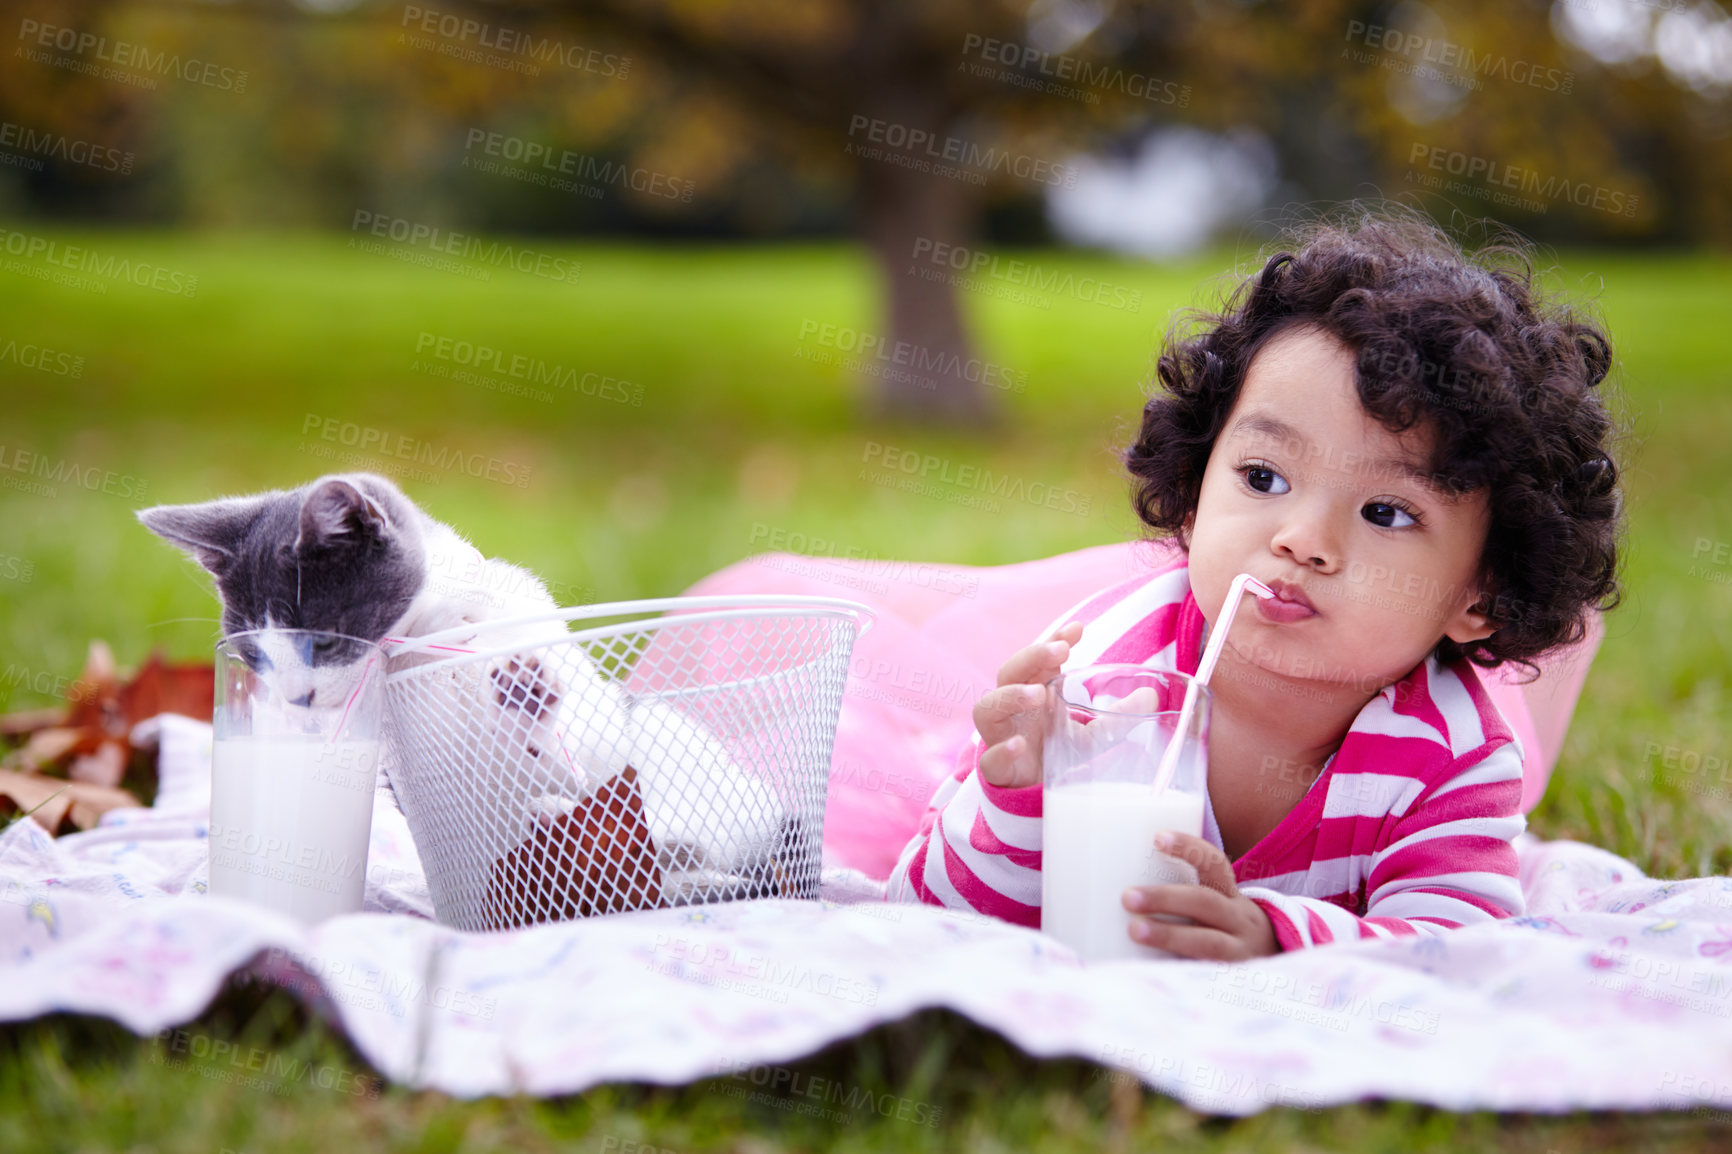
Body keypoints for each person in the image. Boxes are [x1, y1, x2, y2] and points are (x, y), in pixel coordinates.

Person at [885, 210, 1624, 958]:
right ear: (1196, 485)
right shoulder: (1100, 687)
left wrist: (1272, 938)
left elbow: (1456, 953)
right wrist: (1014, 797)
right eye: (1263, 476)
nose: (1301, 539)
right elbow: (927, 917)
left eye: (1386, 512)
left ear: (1481, 594)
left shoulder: (1450, 754)